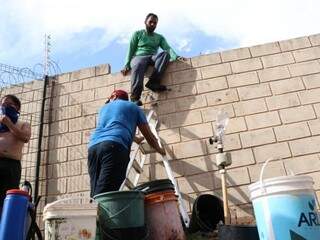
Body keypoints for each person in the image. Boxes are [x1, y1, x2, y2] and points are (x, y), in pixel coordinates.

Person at [87, 89, 165, 197]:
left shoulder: (103, 109)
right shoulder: (133, 107)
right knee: (108, 192)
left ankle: (93, 210)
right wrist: (160, 150)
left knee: (95, 189)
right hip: (114, 148)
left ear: (114, 96)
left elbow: (115, 127)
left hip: (93, 147)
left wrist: (137, 139)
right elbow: (149, 136)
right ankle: (102, 212)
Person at [121, 13, 185, 106]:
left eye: (155, 23)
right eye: (150, 22)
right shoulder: (138, 34)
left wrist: (176, 56)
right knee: (138, 64)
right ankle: (135, 97)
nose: (152, 24)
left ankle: (153, 83)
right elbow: (131, 49)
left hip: (152, 57)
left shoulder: (159, 37)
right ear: (145, 22)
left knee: (165, 54)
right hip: (139, 56)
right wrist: (126, 64)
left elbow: (167, 48)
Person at [0, 95, 31, 214]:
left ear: (17, 108)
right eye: (3, 105)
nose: (4, 107)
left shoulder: (23, 124)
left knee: (6, 202)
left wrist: (9, 124)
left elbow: (25, 137)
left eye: (8, 104)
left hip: (10, 166)